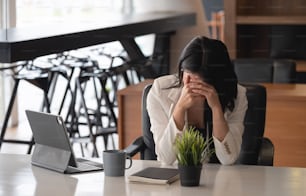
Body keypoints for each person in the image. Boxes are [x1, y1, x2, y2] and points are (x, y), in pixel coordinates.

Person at [146, 36, 248, 165]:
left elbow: (228, 158)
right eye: (186, 76)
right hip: (177, 177)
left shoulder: (237, 95)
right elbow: (166, 158)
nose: (188, 85)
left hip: (220, 177)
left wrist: (216, 108)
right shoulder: (160, 91)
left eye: (200, 83)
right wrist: (180, 109)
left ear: (216, 81)